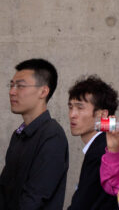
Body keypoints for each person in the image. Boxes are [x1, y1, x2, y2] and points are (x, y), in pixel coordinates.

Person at [0, 58, 69, 209]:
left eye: (20, 86)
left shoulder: (52, 136)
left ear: (43, 91)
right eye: (11, 85)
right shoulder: (19, 134)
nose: (12, 92)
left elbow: (34, 198)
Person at [67, 75, 119, 210]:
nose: (72, 114)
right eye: (70, 107)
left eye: (80, 108)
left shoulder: (102, 150)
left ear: (103, 115)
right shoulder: (102, 145)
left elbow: (81, 205)